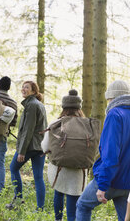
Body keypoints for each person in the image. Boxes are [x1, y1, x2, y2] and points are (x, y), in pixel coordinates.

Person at [76, 80, 130, 221]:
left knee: (83, 206)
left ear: (111, 98)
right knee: (126, 218)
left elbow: (110, 155)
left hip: (112, 180)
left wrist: (103, 185)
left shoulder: (115, 114)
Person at [41, 89, 89, 221]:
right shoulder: (87, 125)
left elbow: (45, 146)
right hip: (78, 170)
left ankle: (58, 219)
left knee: (59, 192)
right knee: (73, 198)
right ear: (78, 108)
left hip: (59, 169)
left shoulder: (55, 124)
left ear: (64, 107)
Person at [6, 80, 47, 210]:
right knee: (38, 177)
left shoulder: (32, 105)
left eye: (27, 87)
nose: (23, 89)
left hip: (31, 146)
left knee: (13, 168)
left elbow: (28, 130)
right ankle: (40, 208)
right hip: (41, 146)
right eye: (22, 87)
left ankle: (18, 201)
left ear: (34, 91)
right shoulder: (37, 104)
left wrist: (22, 151)